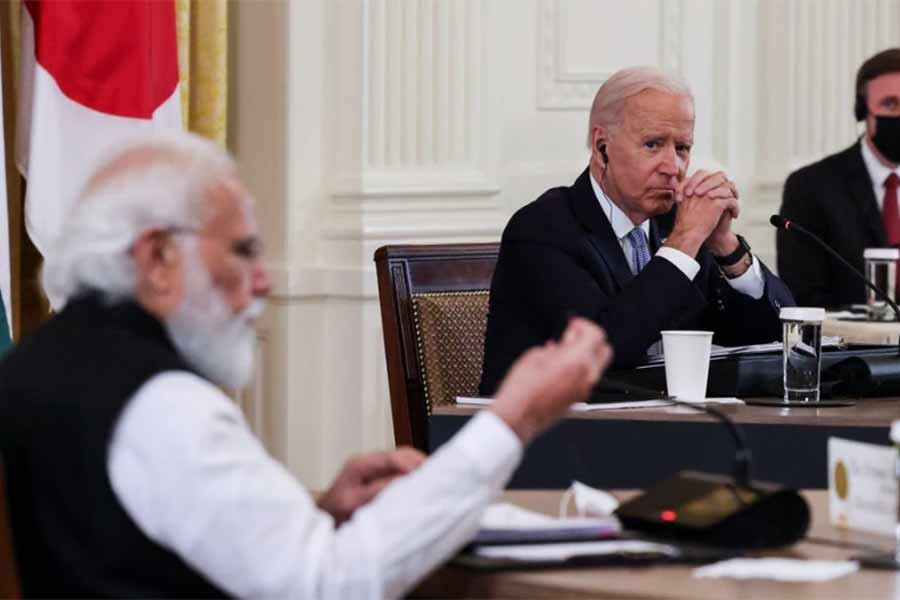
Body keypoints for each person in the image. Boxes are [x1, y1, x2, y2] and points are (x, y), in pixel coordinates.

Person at [0, 133, 613, 598]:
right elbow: (328, 586)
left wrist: (315, 516)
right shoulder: (159, 402)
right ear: (158, 256)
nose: (264, 280)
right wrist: (513, 419)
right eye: (243, 250)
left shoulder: (40, 364)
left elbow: (130, 540)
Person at [479, 65, 794, 396]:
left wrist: (727, 247)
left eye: (682, 148)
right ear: (602, 148)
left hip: (663, 429)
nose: (673, 167)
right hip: (551, 433)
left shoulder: (678, 225)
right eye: (653, 144)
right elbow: (605, 350)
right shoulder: (544, 229)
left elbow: (778, 333)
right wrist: (683, 244)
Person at [778, 48, 900, 307]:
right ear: (862, 110)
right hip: (851, 345)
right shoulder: (810, 187)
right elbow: (804, 297)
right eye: (890, 104)